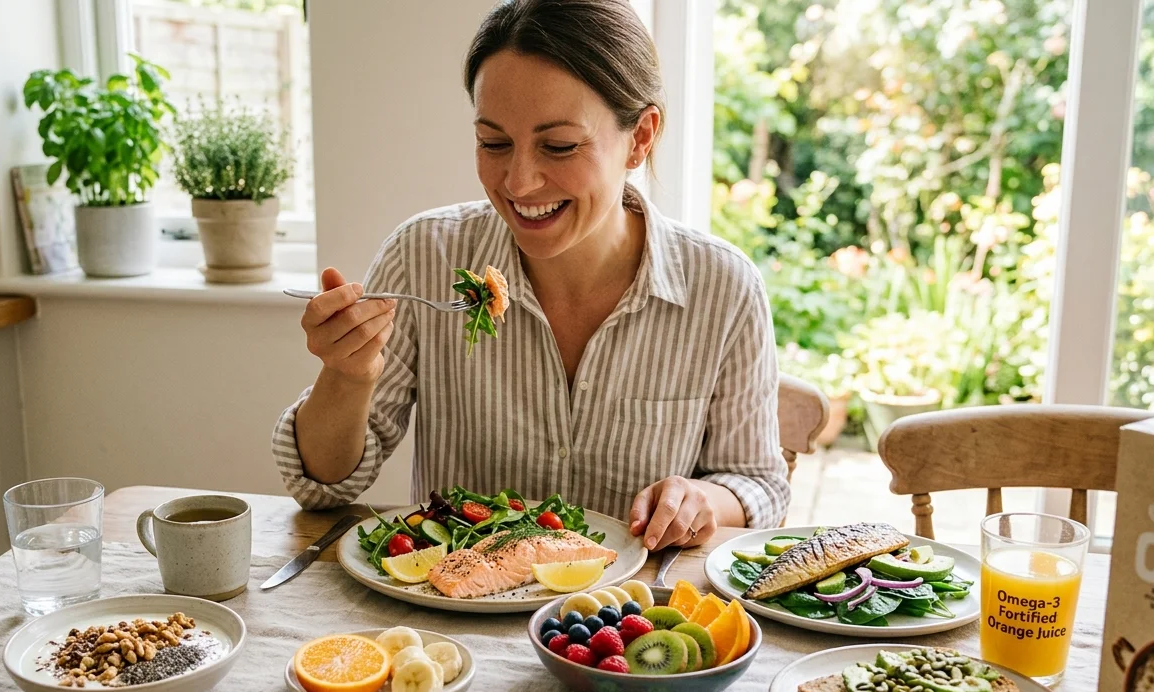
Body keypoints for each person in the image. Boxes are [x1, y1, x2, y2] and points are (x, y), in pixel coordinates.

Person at [272, 0, 788, 551]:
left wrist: (704, 500)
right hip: (453, 617)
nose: (519, 182)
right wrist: (346, 375)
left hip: (619, 622)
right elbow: (324, 486)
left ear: (641, 137)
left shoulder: (724, 287)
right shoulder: (424, 255)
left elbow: (756, 482)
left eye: (559, 146)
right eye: (493, 143)